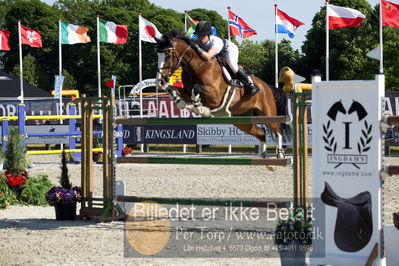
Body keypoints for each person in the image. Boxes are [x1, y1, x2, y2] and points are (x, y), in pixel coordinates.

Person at [191, 21, 259, 96]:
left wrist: (197, 48)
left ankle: (250, 84)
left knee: (233, 66)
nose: (200, 38)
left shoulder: (216, 41)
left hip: (228, 50)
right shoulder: (196, 41)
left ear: (208, 35)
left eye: (202, 35)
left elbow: (207, 56)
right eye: (198, 35)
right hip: (216, 55)